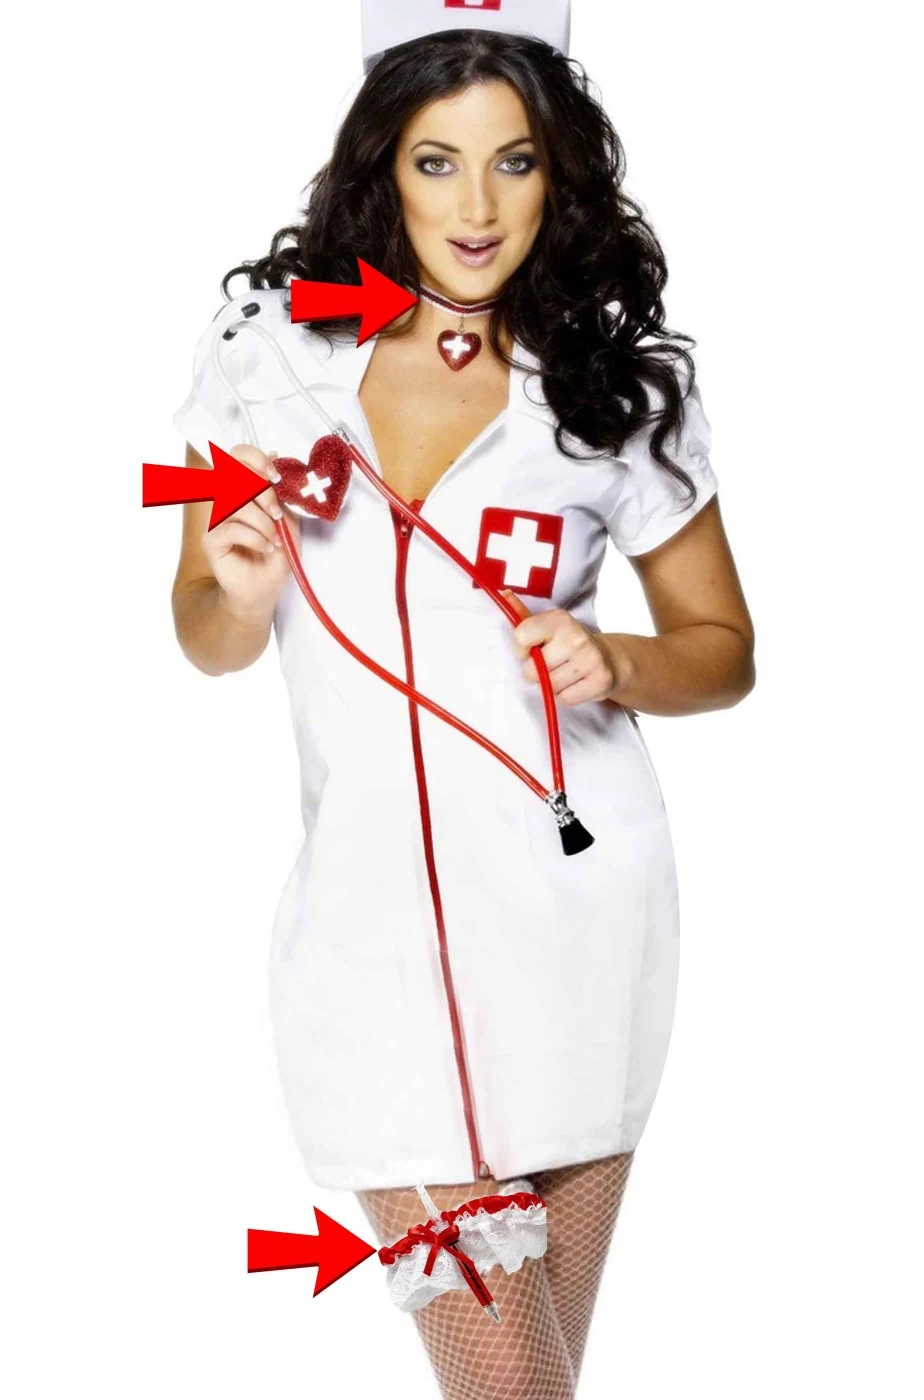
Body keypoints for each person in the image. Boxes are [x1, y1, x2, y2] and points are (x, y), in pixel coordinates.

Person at [170, 14, 755, 1399]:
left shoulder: (618, 386)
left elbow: (724, 649)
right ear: (384, 166)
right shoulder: (268, 352)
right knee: (512, 1386)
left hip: (580, 922)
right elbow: (201, 634)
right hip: (366, 948)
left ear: (562, 176)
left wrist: (617, 659)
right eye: (438, 162)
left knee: (530, 1388)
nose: (477, 206)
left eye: (516, 162)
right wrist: (241, 592)